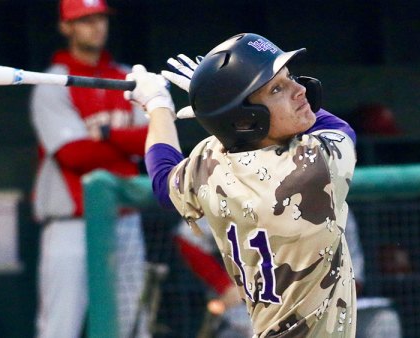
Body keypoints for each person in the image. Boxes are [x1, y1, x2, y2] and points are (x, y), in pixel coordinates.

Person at [124, 33, 358, 337]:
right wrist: (223, 97)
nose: (300, 90)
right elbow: (337, 127)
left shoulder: (210, 162)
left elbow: (162, 180)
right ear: (246, 119)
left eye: (290, 78)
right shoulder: (313, 166)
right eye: (277, 88)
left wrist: (158, 106)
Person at [29, 1, 150, 337]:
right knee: (59, 328)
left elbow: (151, 141)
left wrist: (108, 135)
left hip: (124, 219)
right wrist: (124, 147)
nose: (96, 27)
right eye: (84, 20)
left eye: (99, 18)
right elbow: (74, 154)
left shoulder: (128, 78)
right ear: (66, 27)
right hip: (71, 224)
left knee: (131, 327)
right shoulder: (51, 83)